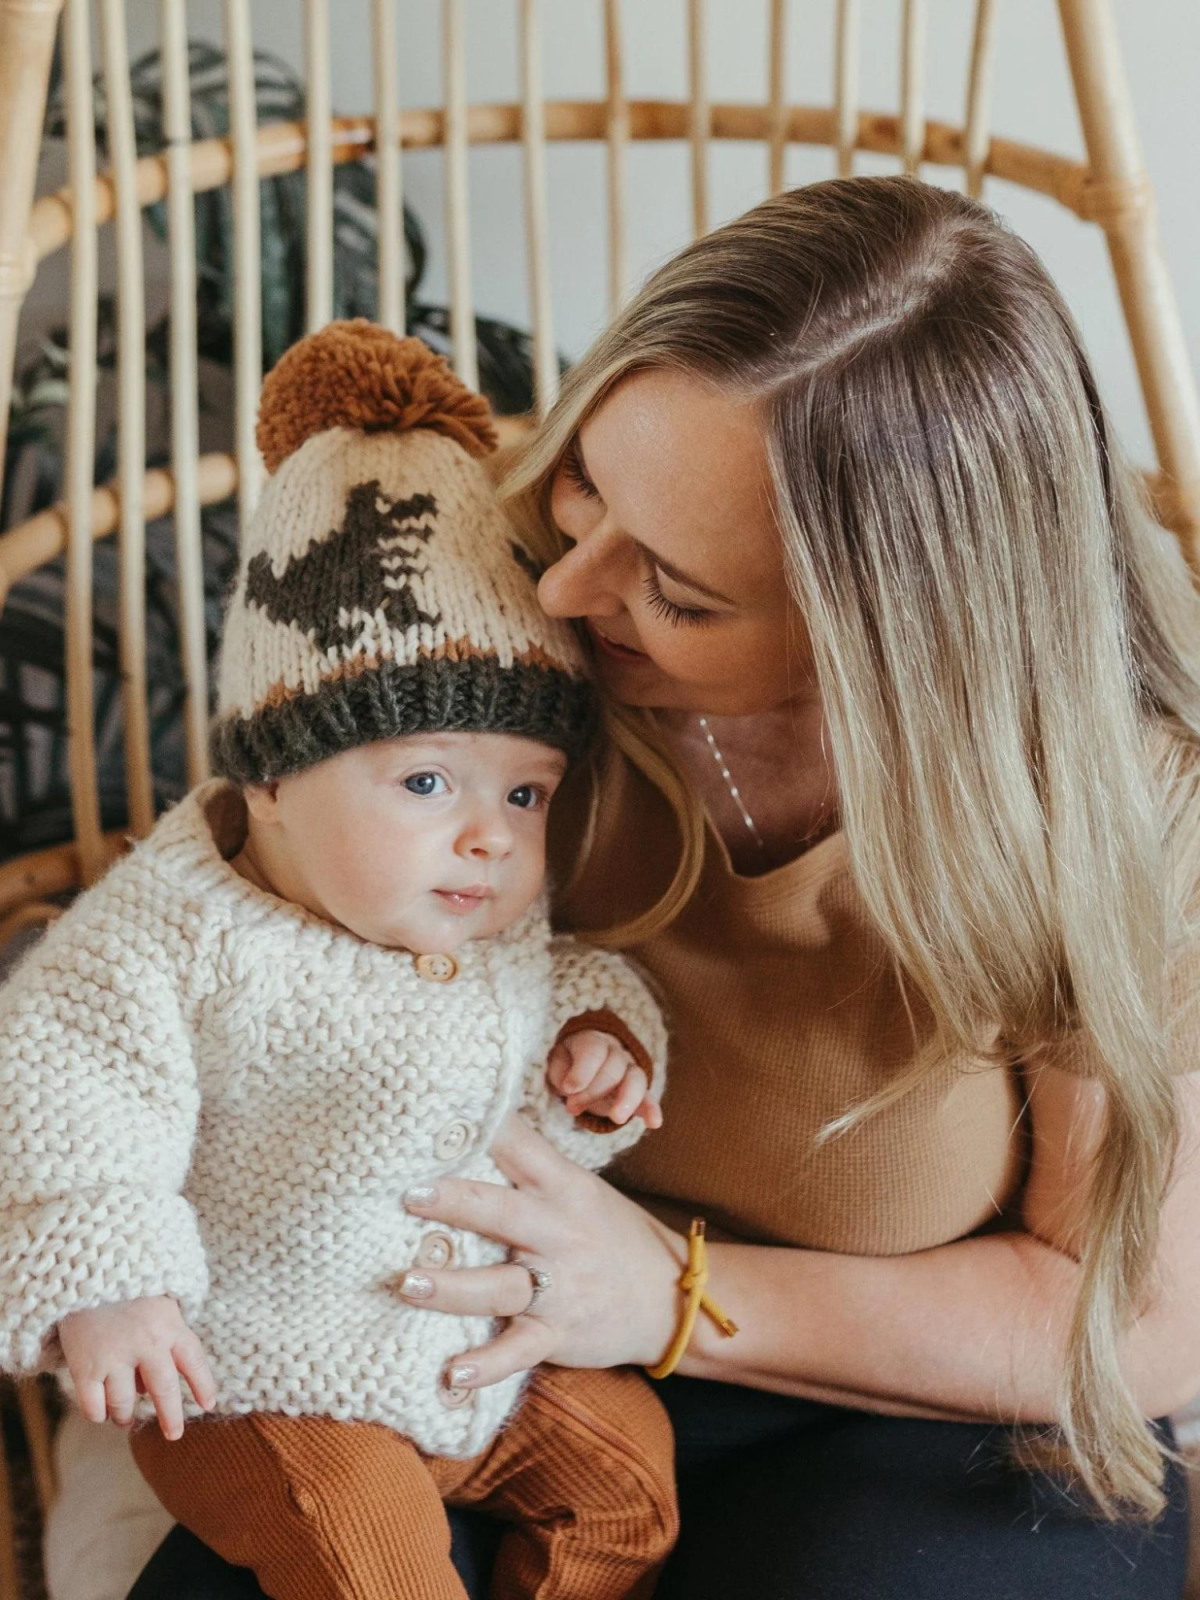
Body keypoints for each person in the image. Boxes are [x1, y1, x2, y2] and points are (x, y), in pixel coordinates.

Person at [116, 173, 1200, 1599]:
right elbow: (235, 906)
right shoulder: (479, 599)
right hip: (446, 1339)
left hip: (917, 1413)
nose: (568, 588)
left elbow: (1137, 1325)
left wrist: (671, 1297)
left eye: (680, 593)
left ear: (890, 643)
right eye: (586, 485)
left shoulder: (1109, 801)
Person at [0, 324, 686, 1600]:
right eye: (426, 780)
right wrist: (111, 1281)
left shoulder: (475, 908)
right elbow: (61, 1091)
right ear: (270, 774)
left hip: (473, 1359)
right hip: (254, 1378)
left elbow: (565, 983)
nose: (489, 835)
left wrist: (600, 1051)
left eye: (527, 794)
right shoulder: (177, 934)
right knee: (366, 1563)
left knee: (630, 1485)